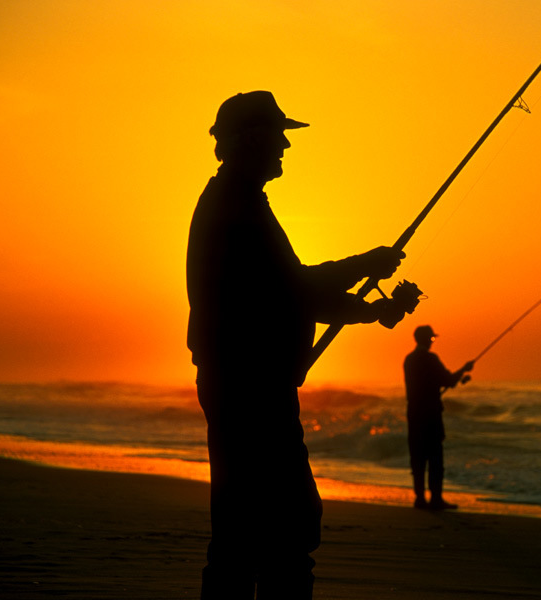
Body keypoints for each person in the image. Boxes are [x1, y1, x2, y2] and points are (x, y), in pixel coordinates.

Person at [187, 90, 407, 600]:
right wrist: (365, 265)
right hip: (250, 389)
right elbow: (295, 289)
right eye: (279, 134)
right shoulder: (234, 206)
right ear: (250, 139)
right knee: (286, 530)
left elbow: (285, 294)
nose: (286, 145)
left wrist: (370, 311)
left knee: (242, 534)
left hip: (245, 385)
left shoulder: (237, 201)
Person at [403, 325, 474, 510]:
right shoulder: (430, 358)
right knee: (435, 457)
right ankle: (436, 499)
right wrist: (464, 370)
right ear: (426, 339)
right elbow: (447, 380)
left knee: (417, 457)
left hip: (414, 412)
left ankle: (419, 499)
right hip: (431, 413)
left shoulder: (409, 360)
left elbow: (436, 381)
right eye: (432, 339)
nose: (432, 342)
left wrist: (457, 378)